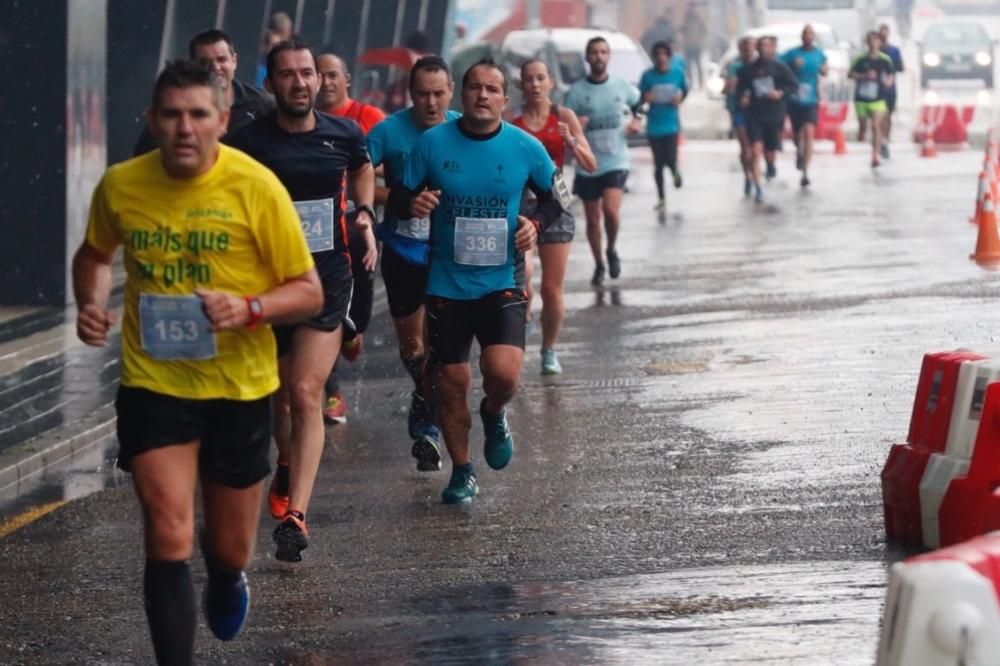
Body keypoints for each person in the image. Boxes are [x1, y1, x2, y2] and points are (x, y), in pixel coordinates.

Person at [73, 59, 322, 664]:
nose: (185, 128)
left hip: (238, 389)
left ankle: (229, 574)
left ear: (223, 121)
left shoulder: (255, 186)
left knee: (230, 548)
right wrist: (89, 302)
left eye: (198, 115)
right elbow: (94, 254)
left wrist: (251, 307)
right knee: (168, 530)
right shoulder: (122, 185)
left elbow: (309, 291)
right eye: (172, 115)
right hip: (155, 382)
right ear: (153, 122)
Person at [387, 59, 564, 504]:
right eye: (474, 88)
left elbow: (556, 201)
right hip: (446, 285)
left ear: (506, 99)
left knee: (502, 374)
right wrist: (415, 203)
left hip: (501, 280)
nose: (482, 95)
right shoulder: (431, 144)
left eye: (492, 89)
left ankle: (494, 412)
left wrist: (535, 225)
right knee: (451, 383)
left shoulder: (525, 147)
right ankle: (463, 471)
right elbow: (400, 195)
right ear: (461, 96)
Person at [227, 39, 377, 562]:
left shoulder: (344, 133)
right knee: (283, 398)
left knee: (307, 390)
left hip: (329, 277)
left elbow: (362, 167)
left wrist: (364, 214)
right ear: (270, 84)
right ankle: (285, 463)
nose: (299, 82)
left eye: (307, 73)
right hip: (270, 286)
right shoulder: (248, 143)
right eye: (287, 74)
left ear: (319, 80)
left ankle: (298, 515)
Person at [368, 55, 459, 469]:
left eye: (439, 93)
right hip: (404, 248)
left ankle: (427, 426)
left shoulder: (465, 127)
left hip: (451, 252)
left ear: (451, 92)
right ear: (410, 93)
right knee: (413, 347)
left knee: (443, 345)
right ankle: (424, 396)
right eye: (422, 94)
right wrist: (394, 202)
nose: (431, 102)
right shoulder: (388, 131)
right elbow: (358, 177)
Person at [315, 51, 387, 424]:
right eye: (319, 75)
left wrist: (365, 205)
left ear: (346, 80)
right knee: (321, 309)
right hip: (316, 231)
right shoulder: (301, 123)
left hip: (357, 226)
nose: (325, 82)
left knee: (355, 313)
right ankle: (333, 393)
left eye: (332, 75)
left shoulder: (367, 119)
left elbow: (387, 171)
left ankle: (353, 330)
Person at [512, 59, 596, 375]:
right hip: (521, 207)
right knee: (524, 282)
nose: (534, 84)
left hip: (556, 205)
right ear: (521, 85)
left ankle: (548, 350)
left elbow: (591, 165)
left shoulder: (563, 117)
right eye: (528, 79)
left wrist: (571, 140)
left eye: (540, 78)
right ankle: (526, 315)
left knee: (551, 289)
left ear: (550, 83)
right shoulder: (512, 122)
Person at [563, 36, 641, 286]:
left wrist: (636, 122)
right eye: (594, 52)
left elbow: (639, 103)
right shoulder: (576, 92)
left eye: (603, 52)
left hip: (616, 160)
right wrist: (577, 128)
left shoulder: (620, 86)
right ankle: (598, 263)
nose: (598, 56)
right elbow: (564, 125)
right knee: (593, 219)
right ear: (587, 58)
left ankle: (612, 249)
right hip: (587, 164)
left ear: (609, 57)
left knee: (610, 212)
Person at [134, 29, 273, 156]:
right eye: (204, 62)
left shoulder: (262, 104)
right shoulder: (174, 108)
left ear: (234, 61)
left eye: (221, 59)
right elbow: (142, 160)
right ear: (192, 64)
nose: (215, 67)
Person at [736, 35, 798, 203]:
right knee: (755, 150)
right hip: (755, 115)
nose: (764, 48)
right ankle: (758, 188)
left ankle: (770, 165)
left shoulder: (780, 68)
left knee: (770, 151)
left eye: (767, 45)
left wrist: (780, 93)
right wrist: (743, 97)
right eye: (761, 45)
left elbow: (793, 85)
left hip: (774, 114)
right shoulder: (747, 69)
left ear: (773, 48)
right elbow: (741, 87)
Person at [639, 41, 688, 210]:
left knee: (671, 159)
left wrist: (679, 99)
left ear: (668, 56)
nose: (661, 57)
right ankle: (661, 197)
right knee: (658, 164)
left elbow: (685, 90)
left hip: (671, 125)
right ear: (654, 57)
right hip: (654, 126)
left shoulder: (677, 74)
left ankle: (675, 172)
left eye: (664, 54)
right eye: (657, 54)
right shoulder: (648, 76)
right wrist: (646, 98)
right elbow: (639, 100)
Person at [780, 24, 827, 188]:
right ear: (801, 37)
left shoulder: (819, 53)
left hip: (811, 100)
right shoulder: (793, 54)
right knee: (797, 135)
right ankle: (798, 151)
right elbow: (778, 65)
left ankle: (805, 172)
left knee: (809, 133)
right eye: (805, 33)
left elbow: (824, 69)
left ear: (814, 37)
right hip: (794, 100)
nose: (808, 36)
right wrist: (792, 65)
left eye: (811, 34)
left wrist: (823, 69)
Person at [850, 31, 894, 168]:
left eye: (876, 40)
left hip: (878, 98)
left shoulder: (885, 59)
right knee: (863, 127)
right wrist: (864, 76)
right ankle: (863, 132)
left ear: (880, 43)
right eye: (870, 40)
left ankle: (874, 155)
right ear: (867, 43)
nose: (873, 43)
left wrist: (889, 81)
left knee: (876, 126)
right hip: (862, 99)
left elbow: (891, 74)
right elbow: (850, 74)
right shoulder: (860, 59)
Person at [723, 36, 756, 197]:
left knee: (755, 148)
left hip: (757, 112)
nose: (747, 49)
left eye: (750, 46)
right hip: (738, 110)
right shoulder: (733, 66)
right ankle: (748, 176)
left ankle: (756, 173)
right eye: (744, 46)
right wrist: (730, 85)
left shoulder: (759, 66)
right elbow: (724, 90)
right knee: (745, 147)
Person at [878, 23, 904, 158]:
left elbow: (900, 67)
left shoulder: (894, 51)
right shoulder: (874, 52)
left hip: (890, 89)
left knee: (888, 116)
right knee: (878, 116)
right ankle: (880, 140)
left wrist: (891, 75)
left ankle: (885, 139)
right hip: (877, 89)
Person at [683, 8, 708, 89]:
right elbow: (682, 31)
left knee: (698, 65)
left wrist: (700, 40)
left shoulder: (698, 20)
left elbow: (704, 31)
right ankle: (690, 83)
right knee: (689, 66)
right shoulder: (686, 20)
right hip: (688, 46)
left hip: (696, 46)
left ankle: (701, 83)